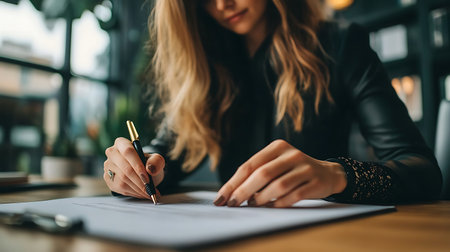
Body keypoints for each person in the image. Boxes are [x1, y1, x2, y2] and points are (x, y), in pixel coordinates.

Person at [103, 0, 442, 207]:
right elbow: (163, 162)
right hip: (229, 237)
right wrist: (132, 170)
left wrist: (337, 175)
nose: (222, 4)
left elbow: (423, 171)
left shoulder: (340, 45)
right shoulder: (206, 66)